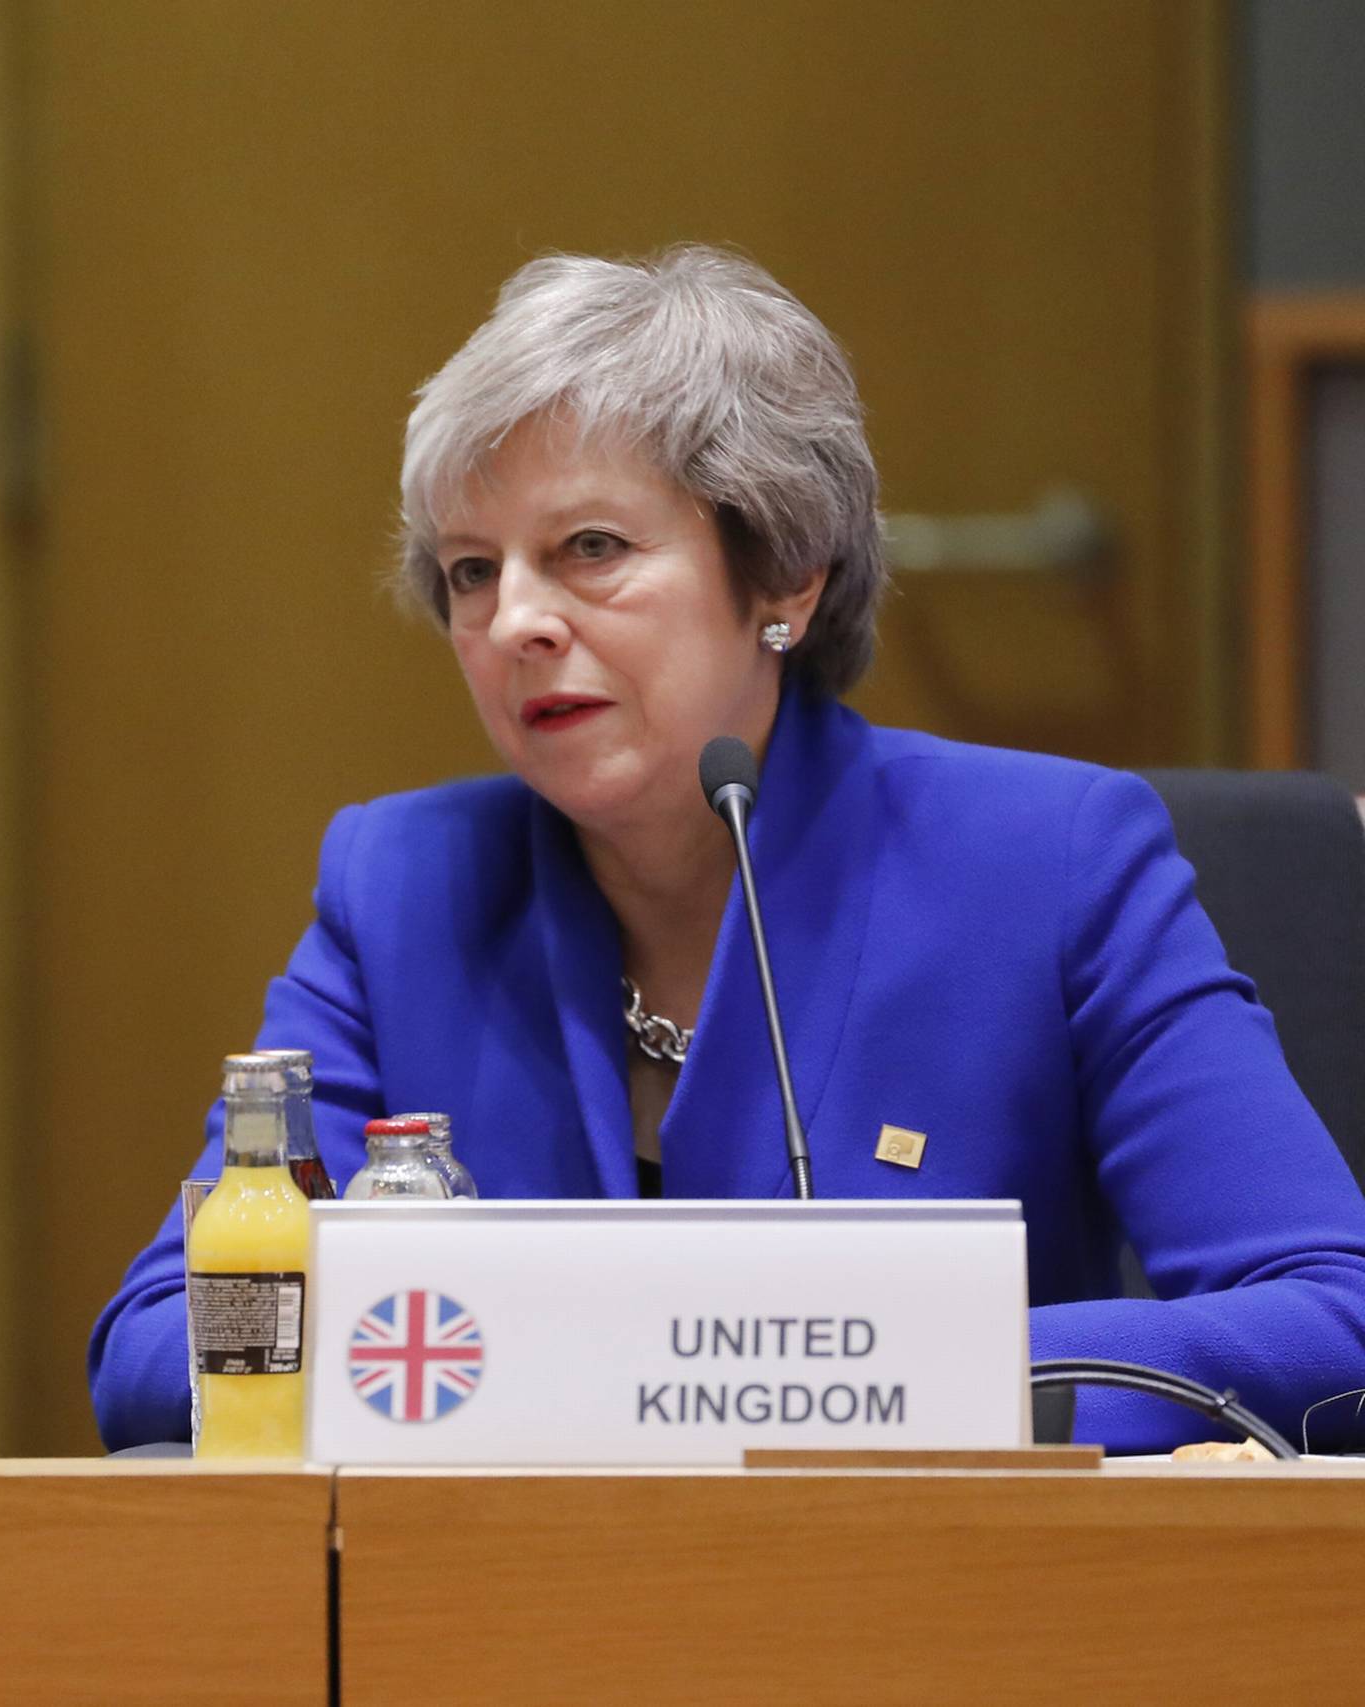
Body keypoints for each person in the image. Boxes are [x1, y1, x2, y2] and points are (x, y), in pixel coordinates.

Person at [90, 246, 1365, 1453]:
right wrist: (589, 1372)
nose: (515, 619)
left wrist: (886, 1371)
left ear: (784, 579)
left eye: (589, 548)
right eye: (472, 570)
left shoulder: (1051, 864)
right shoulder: (401, 887)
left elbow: (1333, 1317)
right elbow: (165, 1344)